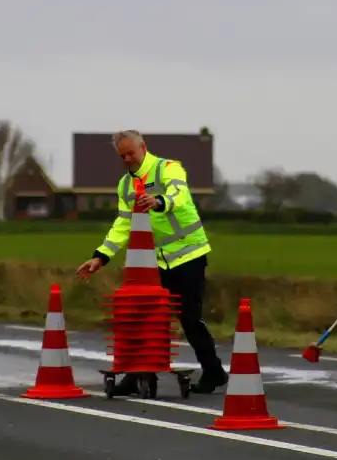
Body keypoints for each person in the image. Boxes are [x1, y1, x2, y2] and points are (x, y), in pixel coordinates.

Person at [75, 130, 228, 395]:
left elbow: (178, 194)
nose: (127, 159)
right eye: (122, 155)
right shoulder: (125, 185)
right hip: (156, 263)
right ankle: (137, 377)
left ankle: (213, 371)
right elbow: (123, 224)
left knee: (189, 318)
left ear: (143, 147)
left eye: (130, 153)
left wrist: (158, 202)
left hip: (189, 254)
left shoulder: (168, 168)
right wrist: (101, 256)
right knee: (143, 317)